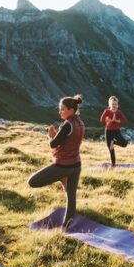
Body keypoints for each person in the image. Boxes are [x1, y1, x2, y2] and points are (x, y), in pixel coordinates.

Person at [28, 95, 85, 231]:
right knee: (71, 197)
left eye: (62, 109)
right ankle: (65, 228)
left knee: (32, 182)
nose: (60, 112)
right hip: (76, 165)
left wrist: (51, 135)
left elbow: (53, 144)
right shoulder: (80, 122)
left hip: (62, 166)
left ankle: (60, 177)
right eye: (59, 109)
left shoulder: (67, 125)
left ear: (71, 110)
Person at [99, 96, 128, 167]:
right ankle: (113, 165)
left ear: (117, 104)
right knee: (111, 150)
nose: (114, 105)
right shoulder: (106, 111)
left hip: (116, 131)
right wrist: (108, 120)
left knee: (124, 144)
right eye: (113, 104)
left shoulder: (119, 112)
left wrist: (116, 121)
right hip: (108, 132)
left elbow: (125, 120)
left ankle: (113, 142)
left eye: (115, 104)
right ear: (110, 104)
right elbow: (101, 119)